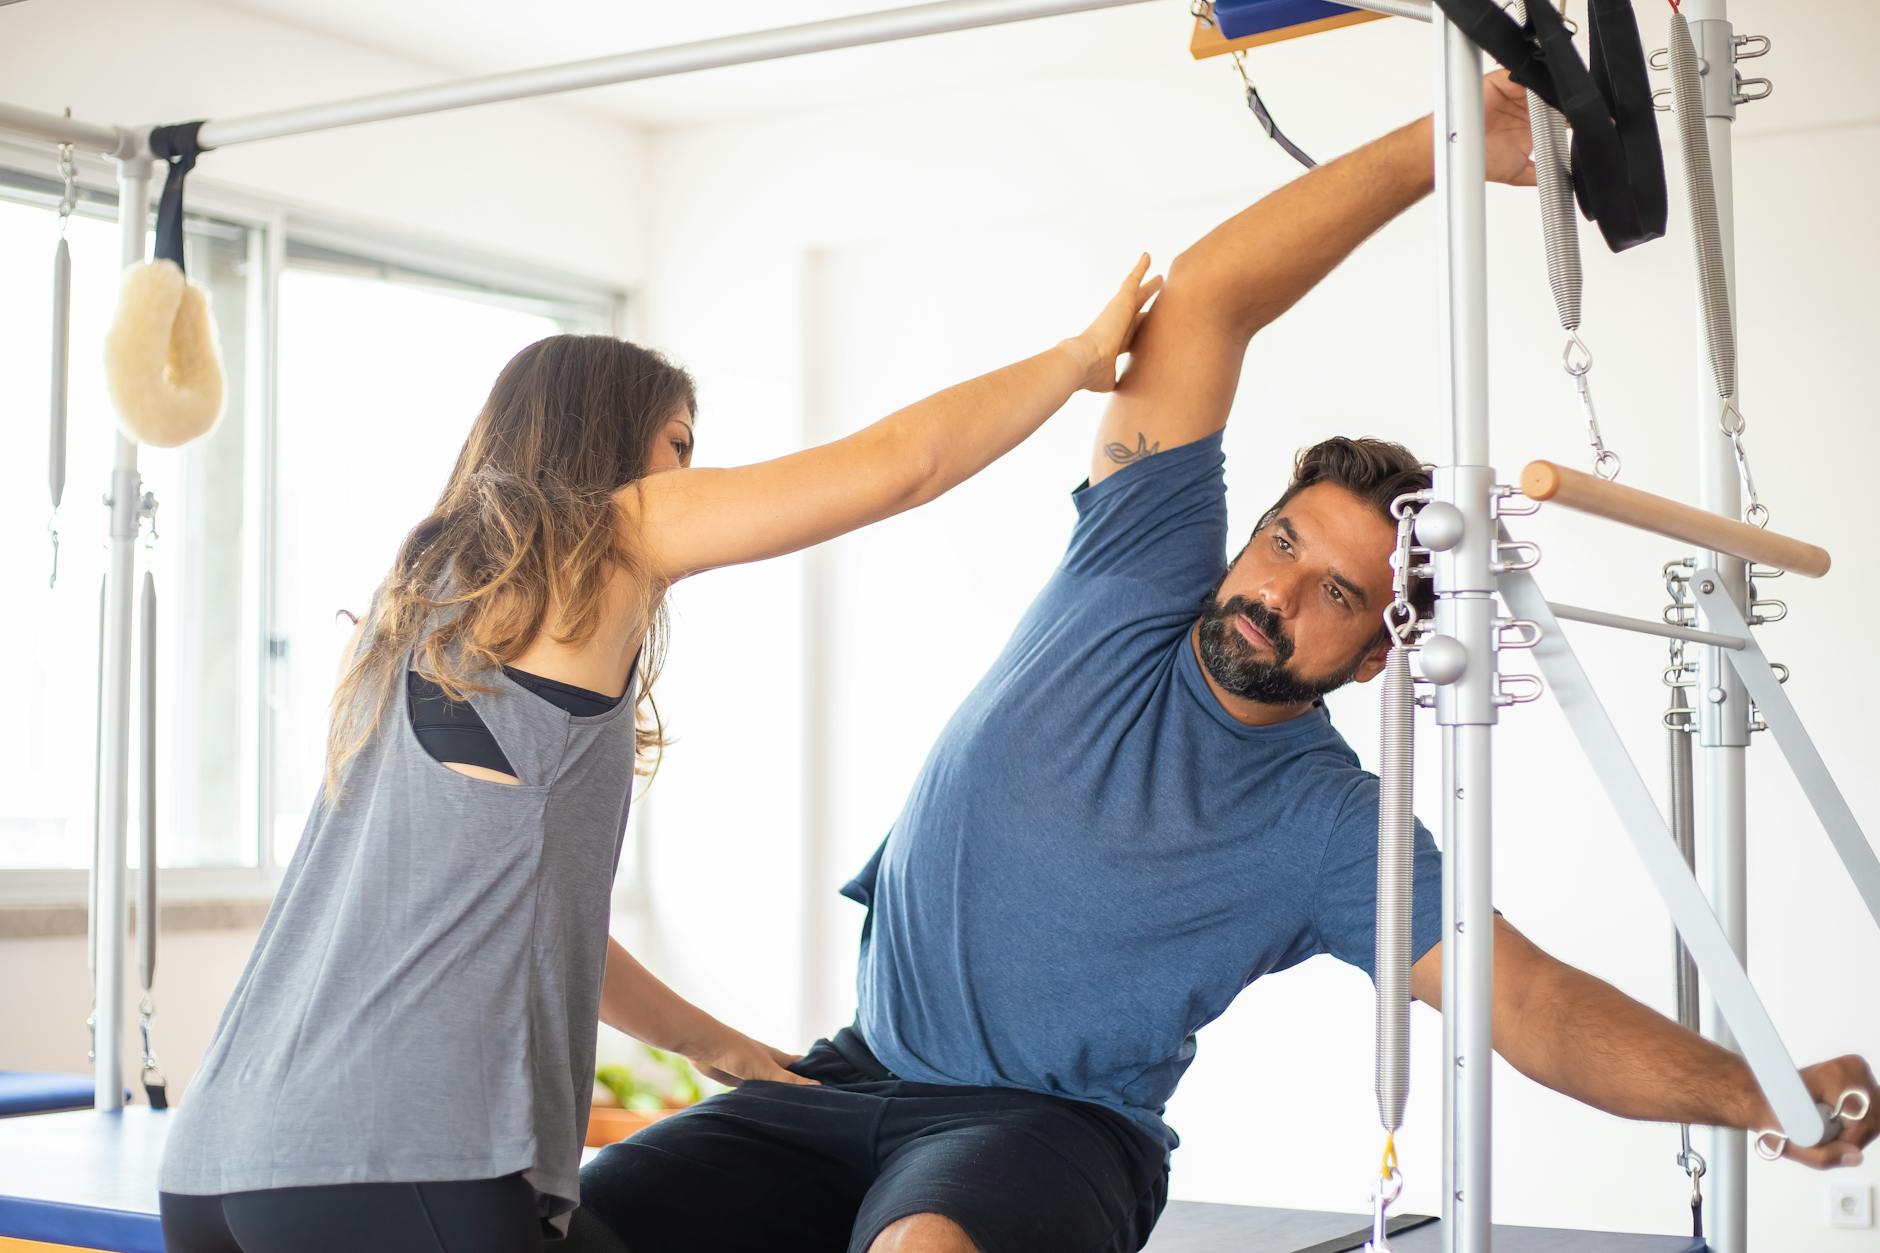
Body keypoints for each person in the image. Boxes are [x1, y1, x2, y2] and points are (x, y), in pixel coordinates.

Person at [572, 72, 1878, 1253]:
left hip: (1047, 1133)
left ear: (1378, 653)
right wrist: (1438, 147)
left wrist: (1757, 1086)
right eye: (1280, 543)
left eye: (1335, 593)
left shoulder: (1330, 826)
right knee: (599, 1218)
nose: (1276, 593)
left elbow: (1524, 1002)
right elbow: (1205, 300)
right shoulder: (1135, 571)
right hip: (849, 1078)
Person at [153, 256, 1163, 1253]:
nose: (687, 473)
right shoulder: (610, 533)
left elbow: (528, 914)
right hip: (396, 1155)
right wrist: (1078, 357)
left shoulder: (418, 605)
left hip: (218, 1165)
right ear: (611, 444)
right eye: (677, 443)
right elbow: (904, 462)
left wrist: (711, 1042)